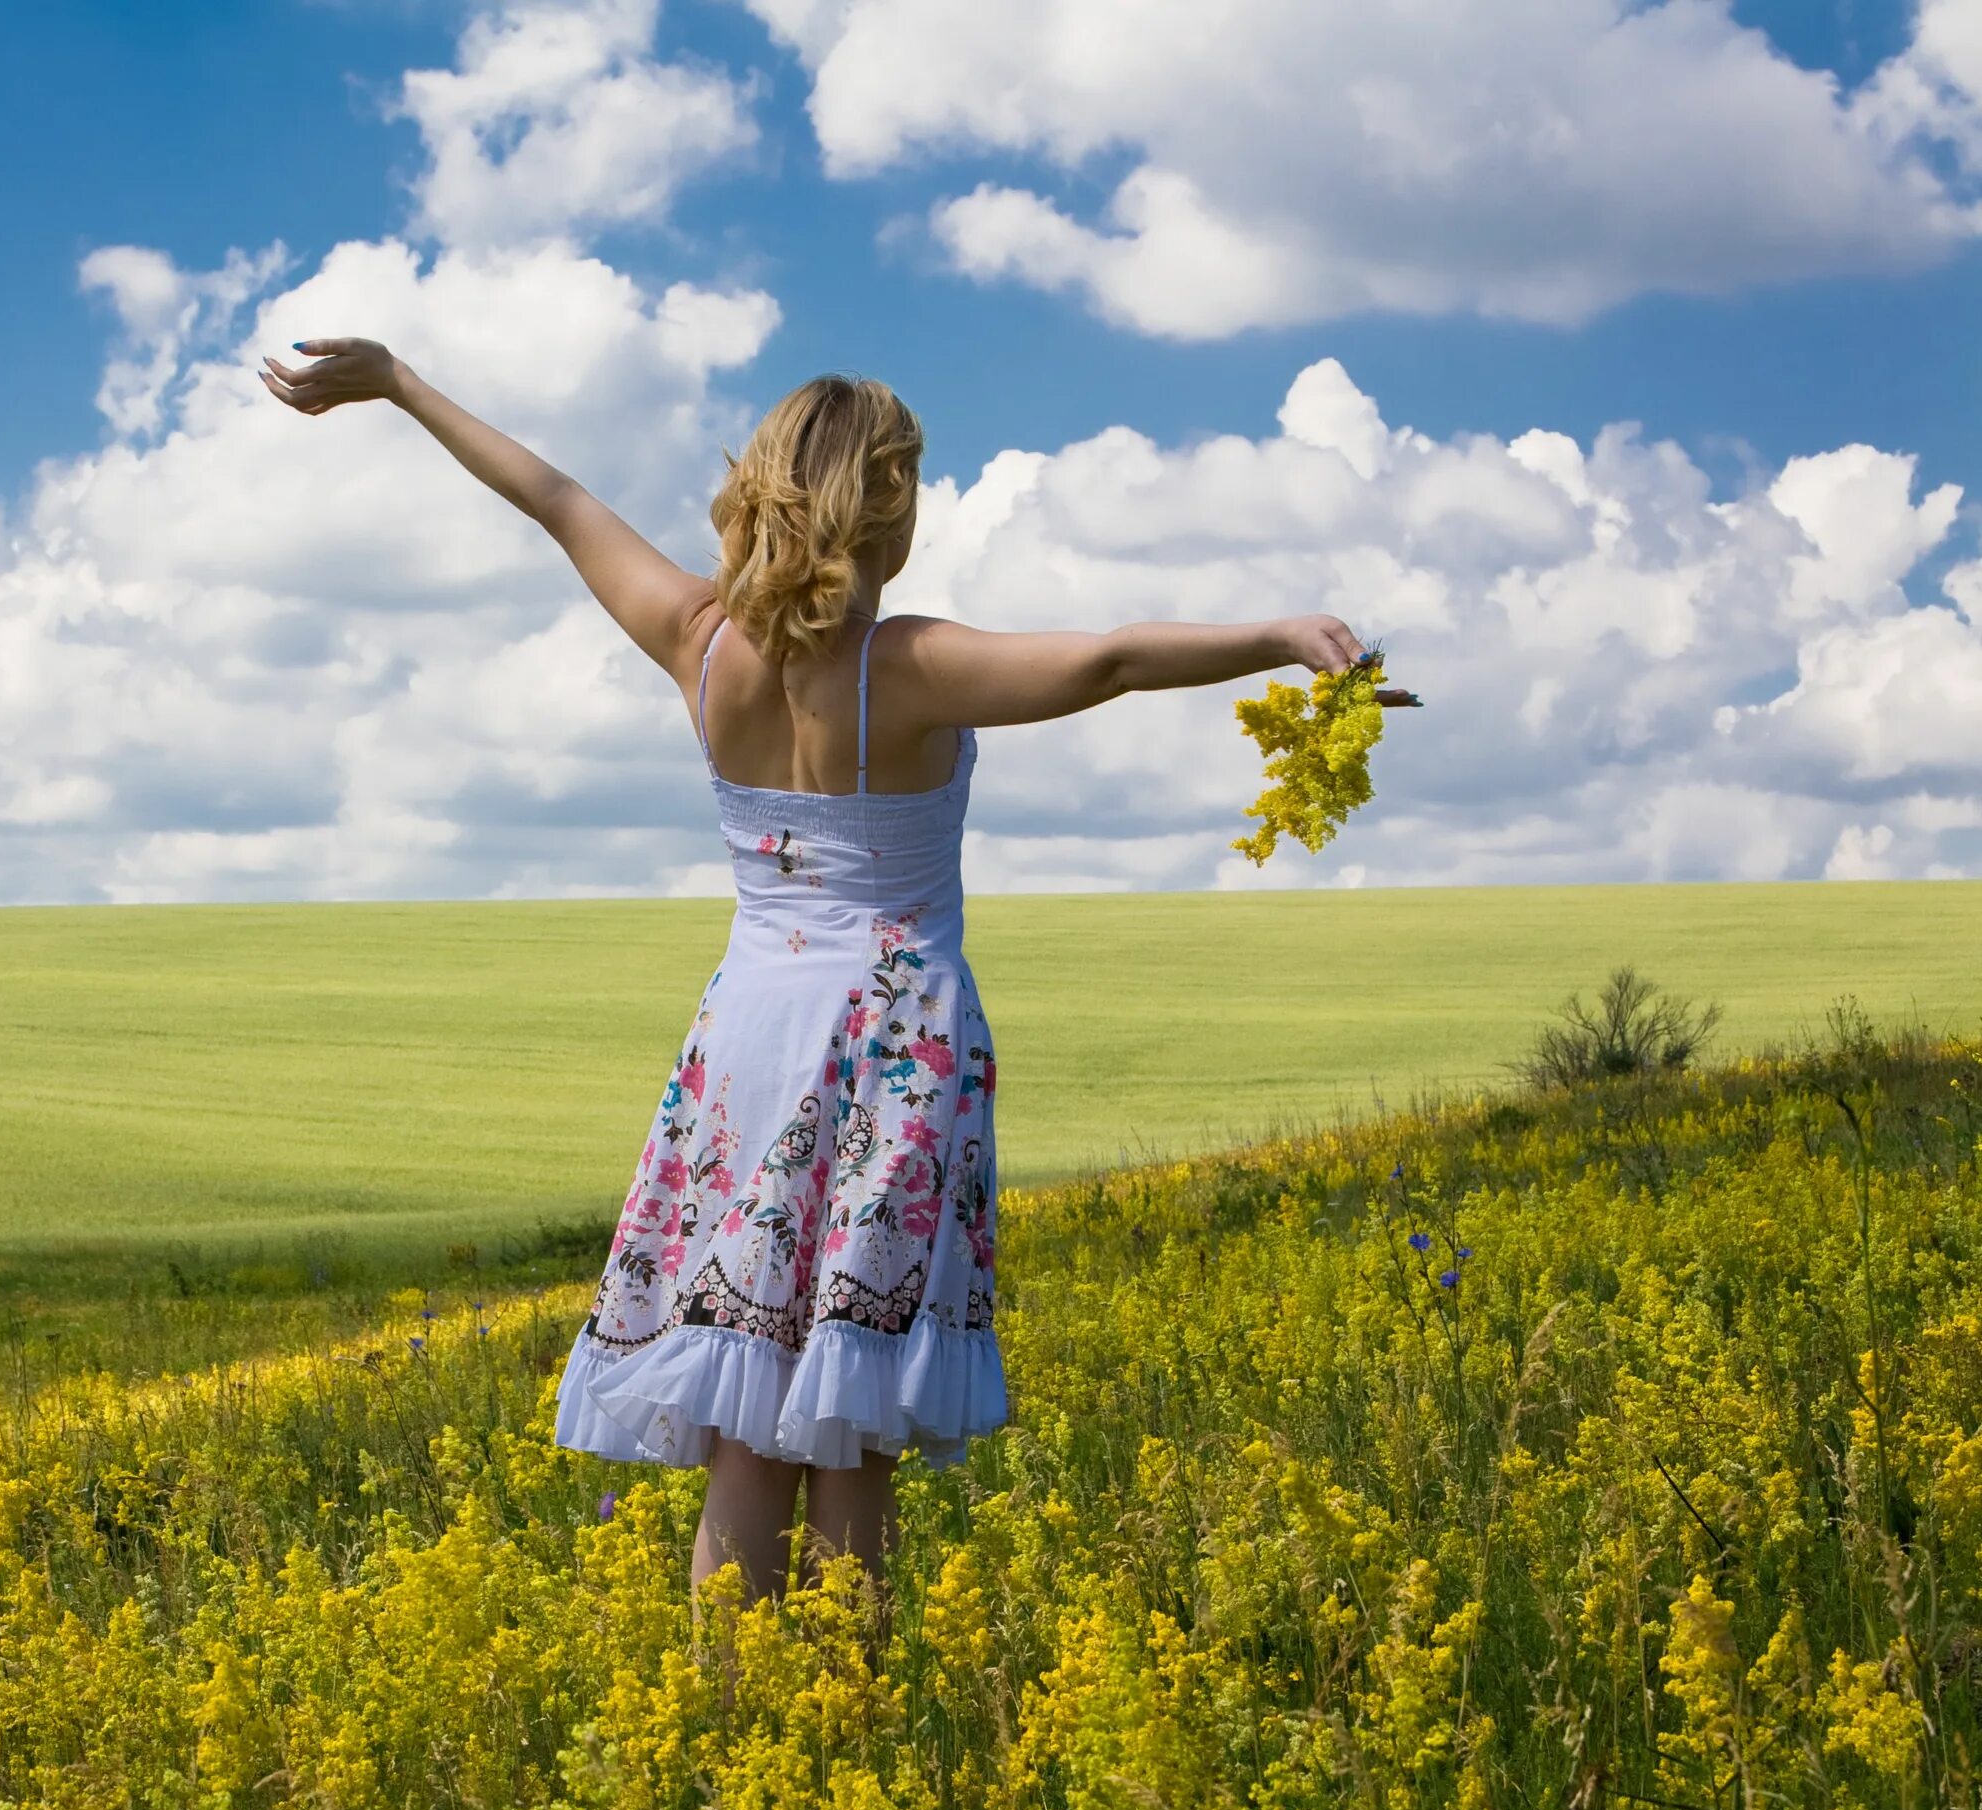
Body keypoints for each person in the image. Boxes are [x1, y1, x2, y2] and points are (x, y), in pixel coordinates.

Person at [258, 339, 1407, 1607]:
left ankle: (731, 1731)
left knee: (750, 1417)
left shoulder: (697, 641)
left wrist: (401, 385)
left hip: (748, 1039)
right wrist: (1279, 635)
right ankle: (837, 1715)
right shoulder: (907, 665)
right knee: (849, 1413)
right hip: (891, 1045)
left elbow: (556, 499)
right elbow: (1114, 660)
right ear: (887, 507)